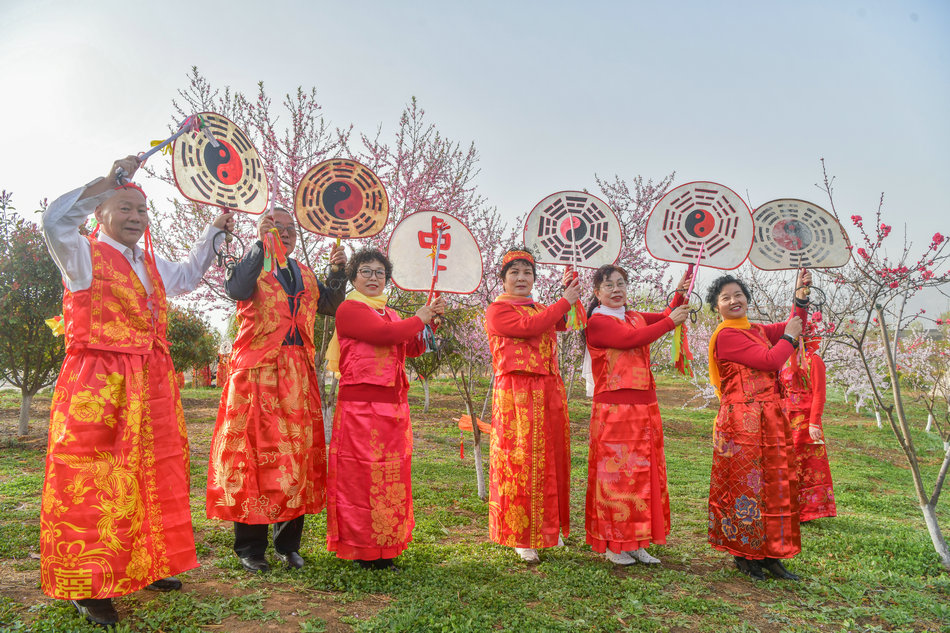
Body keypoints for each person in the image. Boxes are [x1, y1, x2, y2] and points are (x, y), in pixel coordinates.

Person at [39, 156, 233, 627]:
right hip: (99, 385)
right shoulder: (81, 254)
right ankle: (89, 584)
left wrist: (215, 229)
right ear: (101, 213)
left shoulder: (147, 262)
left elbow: (187, 275)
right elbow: (53, 221)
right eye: (124, 208)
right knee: (97, 478)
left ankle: (146, 565)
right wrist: (105, 182)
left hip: (152, 384)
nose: (134, 218)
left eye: (141, 212)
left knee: (153, 473)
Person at [206, 207, 346, 573]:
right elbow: (235, 287)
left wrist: (337, 271)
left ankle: (288, 544)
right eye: (275, 226)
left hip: (298, 372)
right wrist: (259, 244)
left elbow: (331, 305)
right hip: (257, 372)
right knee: (252, 456)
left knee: (295, 456)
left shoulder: (304, 272)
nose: (284, 233)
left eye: (289, 229)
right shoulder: (253, 265)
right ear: (261, 230)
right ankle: (250, 547)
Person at [324, 248, 444, 569]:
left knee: (390, 476)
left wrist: (430, 323)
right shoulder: (349, 309)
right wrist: (419, 318)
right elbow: (384, 336)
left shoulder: (391, 313)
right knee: (360, 477)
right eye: (366, 271)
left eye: (379, 272)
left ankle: (386, 545)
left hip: (393, 407)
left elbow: (412, 345)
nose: (374, 277)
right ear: (353, 277)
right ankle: (363, 547)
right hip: (360, 409)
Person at [705, 270, 810, 581]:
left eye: (739, 295)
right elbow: (770, 360)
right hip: (740, 423)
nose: (734, 300)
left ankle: (771, 554)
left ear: (747, 299)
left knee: (774, 488)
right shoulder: (726, 335)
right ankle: (744, 554)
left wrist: (800, 297)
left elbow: (794, 322)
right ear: (717, 307)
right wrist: (789, 336)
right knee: (744, 488)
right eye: (726, 298)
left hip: (770, 420)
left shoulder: (757, 329)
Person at [583, 265, 690, 565]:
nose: (616, 289)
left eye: (621, 284)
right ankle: (614, 544)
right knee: (616, 477)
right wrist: (670, 322)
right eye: (608, 285)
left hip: (645, 405)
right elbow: (633, 339)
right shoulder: (598, 322)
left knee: (644, 476)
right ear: (597, 292)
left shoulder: (634, 316)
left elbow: (667, 312)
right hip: (614, 409)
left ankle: (637, 541)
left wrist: (680, 291)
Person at [484, 248, 579, 563]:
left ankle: (548, 529)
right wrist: (564, 300)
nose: (521, 278)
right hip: (516, 394)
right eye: (515, 273)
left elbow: (571, 321)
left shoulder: (540, 308)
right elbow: (530, 328)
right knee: (521, 463)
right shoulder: (498, 310)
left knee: (551, 460)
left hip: (548, 389)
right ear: (504, 279)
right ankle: (521, 536)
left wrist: (572, 287)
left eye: (527, 273)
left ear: (535, 279)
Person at [779, 325, 837, 522]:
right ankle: (786, 508)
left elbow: (819, 393)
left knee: (807, 465)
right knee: (784, 463)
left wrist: (815, 423)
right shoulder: (784, 360)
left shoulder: (814, 360)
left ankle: (807, 512)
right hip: (784, 419)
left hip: (805, 422)